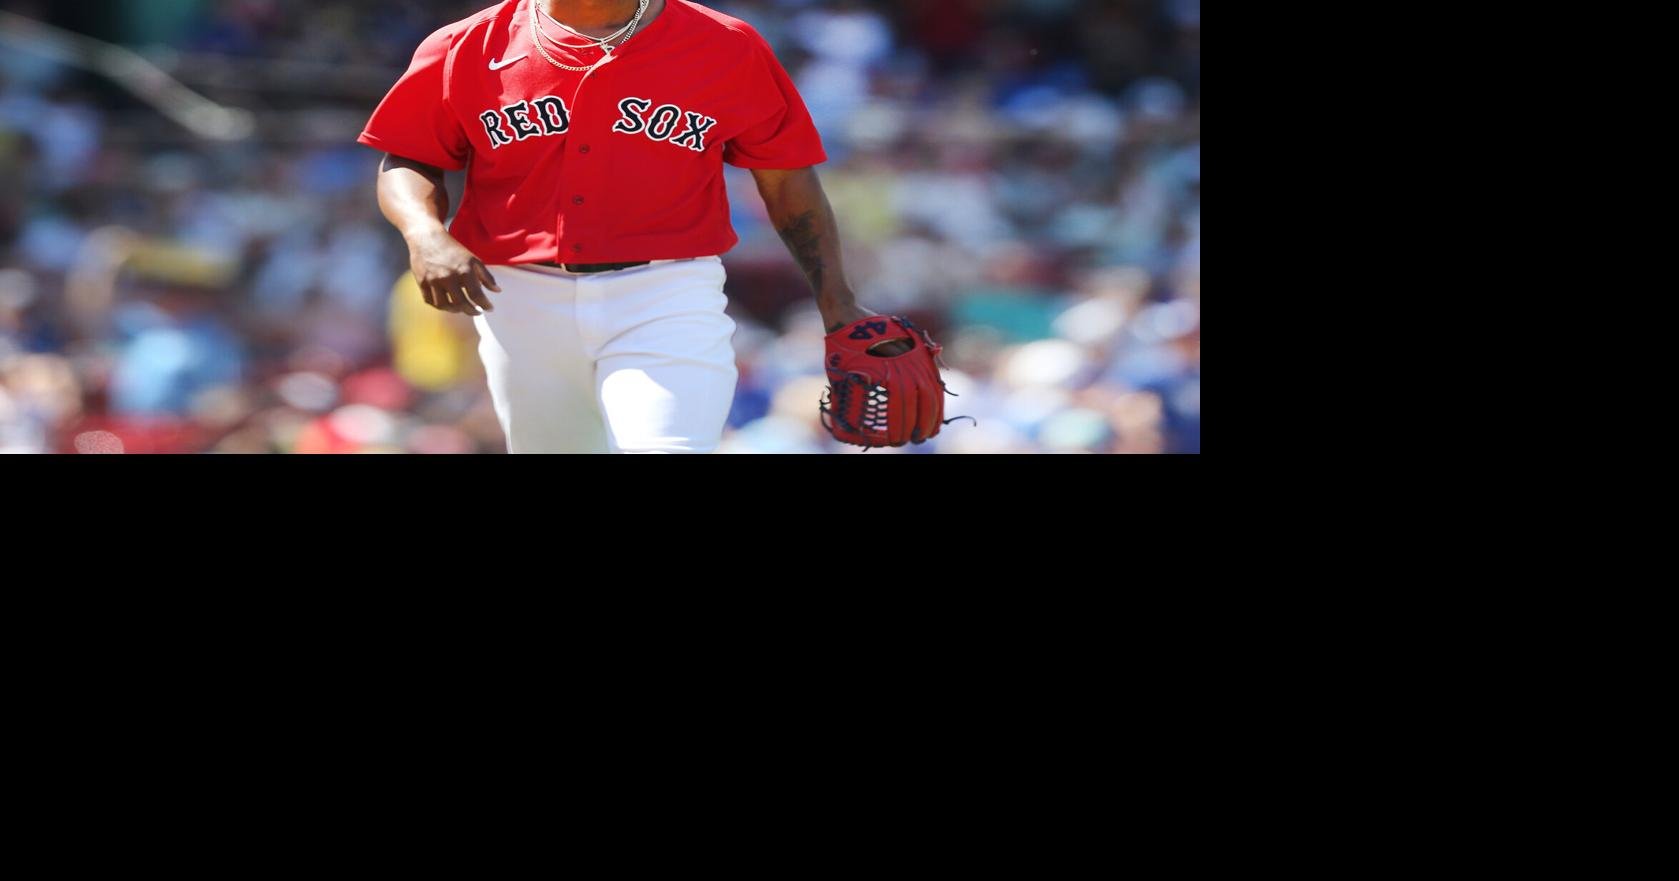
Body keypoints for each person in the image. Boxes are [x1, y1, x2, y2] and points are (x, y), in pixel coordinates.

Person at [358, 0, 919, 453]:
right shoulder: (465, 45)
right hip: (519, 298)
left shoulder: (724, 44)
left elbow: (788, 182)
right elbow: (406, 157)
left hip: (666, 293)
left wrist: (836, 301)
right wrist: (425, 233)